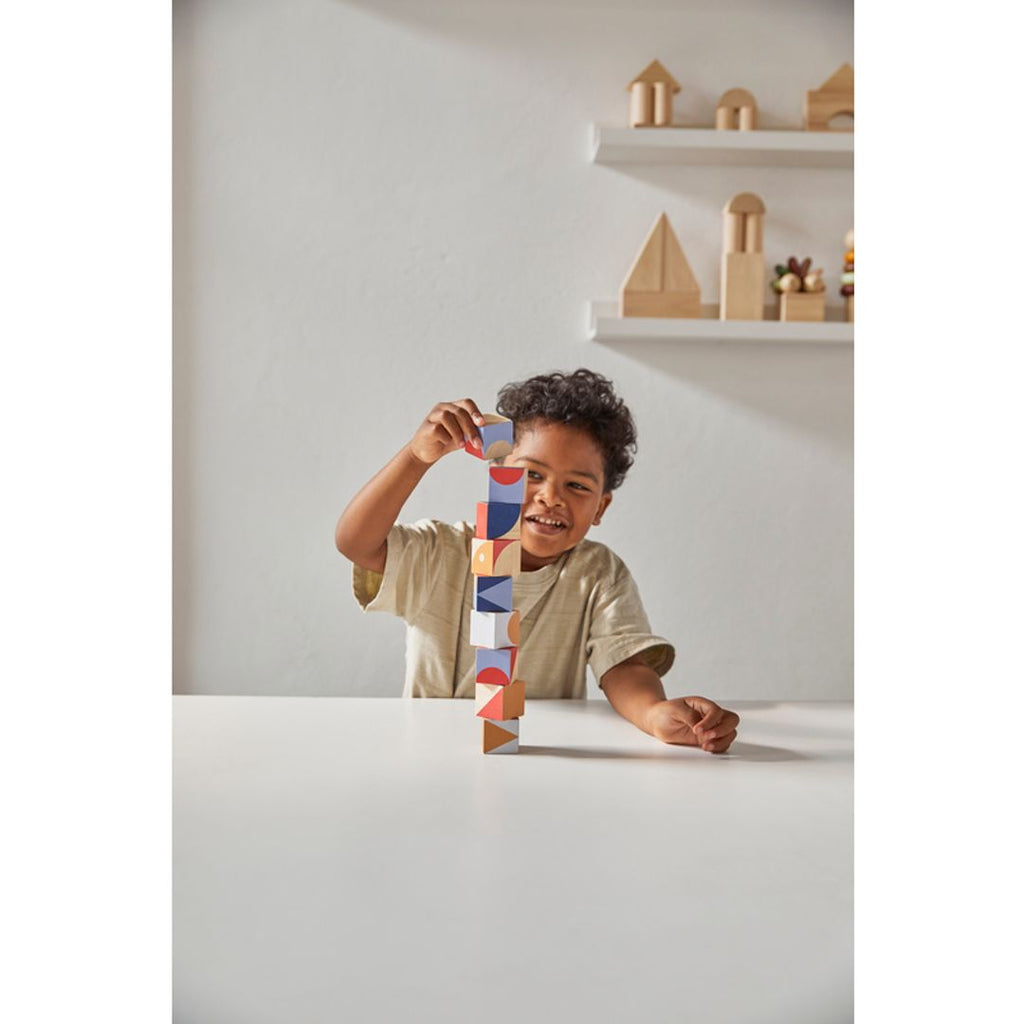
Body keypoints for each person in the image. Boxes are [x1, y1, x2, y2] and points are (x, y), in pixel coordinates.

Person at [335, 368, 739, 753]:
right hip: (427, 748)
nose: (551, 496)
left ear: (601, 507)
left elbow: (623, 666)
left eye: (577, 485)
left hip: (540, 758)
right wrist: (416, 456)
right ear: (497, 476)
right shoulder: (443, 552)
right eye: (531, 475)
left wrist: (653, 714)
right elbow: (357, 543)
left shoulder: (598, 573)